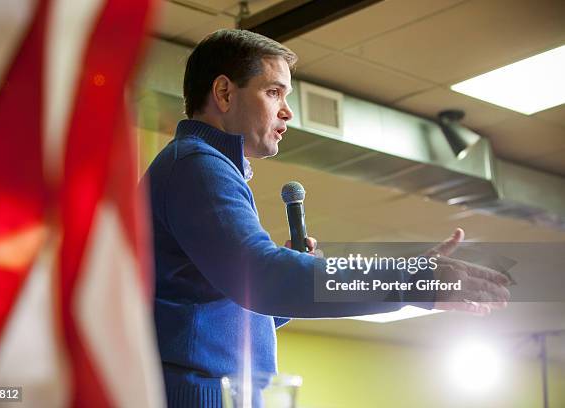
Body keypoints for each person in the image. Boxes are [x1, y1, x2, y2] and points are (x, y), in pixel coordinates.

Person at [143, 29, 511, 407]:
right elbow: (262, 276)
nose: (287, 111)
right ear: (223, 93)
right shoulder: (198, 164)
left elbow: (228, 304)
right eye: (274, 92)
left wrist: (289, 286)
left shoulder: (200, 166)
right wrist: (413, 277)